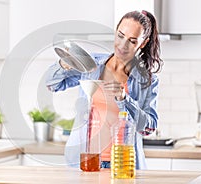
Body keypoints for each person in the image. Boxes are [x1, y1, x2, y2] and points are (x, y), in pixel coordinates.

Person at [45, 10, 163, 169]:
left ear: (143, 43)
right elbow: (52, 84)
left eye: (132, 41)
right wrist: (63, 64)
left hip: (123, 164)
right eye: (120, 36)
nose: (123, 45)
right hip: (85, 162)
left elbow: (149, 127)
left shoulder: (147, 81)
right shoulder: (91, 64)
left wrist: (124, 99)